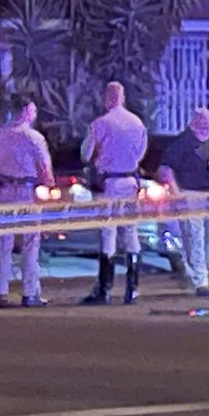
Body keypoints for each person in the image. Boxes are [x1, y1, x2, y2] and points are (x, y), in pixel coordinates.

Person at [0, 96, 55, 308]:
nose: (34, 115)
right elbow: (45, 170)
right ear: (24, 112)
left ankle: (1, 293)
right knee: (30, 243)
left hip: (3, 192)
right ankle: (30, 293)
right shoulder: (34, 138)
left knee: (3, 244)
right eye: (32, 111)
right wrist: (49, 189)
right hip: (26, 192)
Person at [80, 81, 149, 305]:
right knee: (130, 232)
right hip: (130, 180)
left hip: (109, 181)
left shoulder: (100, 123)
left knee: (108, 232)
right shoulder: (137, 123)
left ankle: (105, 289)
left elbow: (85, 153)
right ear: (123, 97)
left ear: (107, 98)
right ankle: (133, 289)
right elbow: (140, 152)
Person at [157, 108, 209, 298]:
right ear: (195, 124)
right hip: (190, 195)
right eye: (204, 126)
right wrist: (177, 195)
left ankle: (199, 269)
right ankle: (201, 282)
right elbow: (166, 169)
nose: (207, 130)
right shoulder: (182, 143)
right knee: (195, 238)